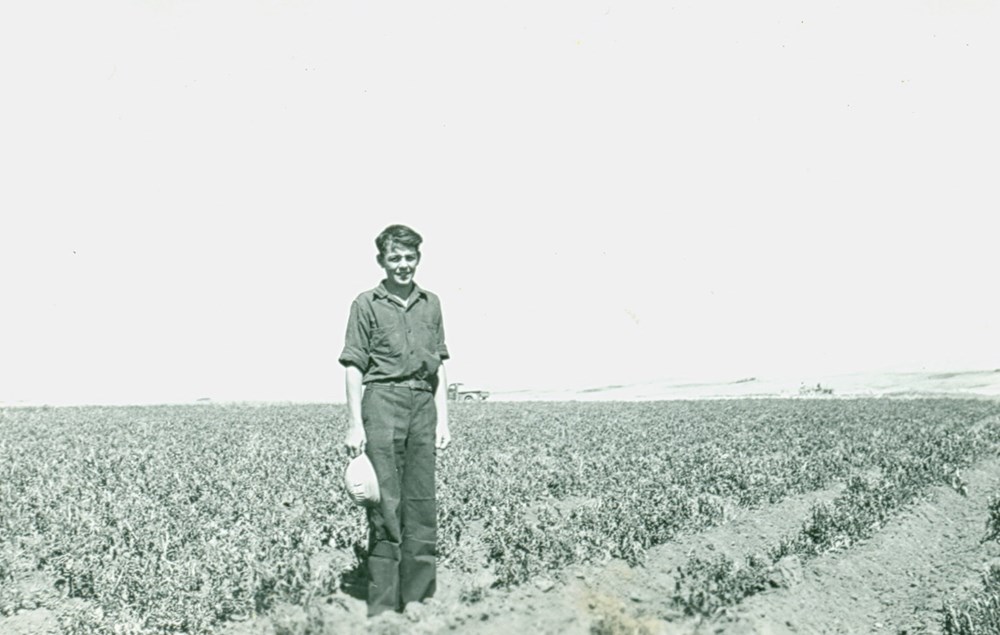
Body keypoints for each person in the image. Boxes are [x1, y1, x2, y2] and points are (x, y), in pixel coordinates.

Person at [338, 224, 451, 617]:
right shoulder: (365, 304)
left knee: (421, 504)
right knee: (385, 505)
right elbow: (354, 365)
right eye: (395, 258)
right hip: (382, 403)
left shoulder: (431, 303)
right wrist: (355, 424)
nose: (403, 265)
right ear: (382, 261)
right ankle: (384, 609)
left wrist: (443, 421)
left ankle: (417, 600)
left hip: (423, 404)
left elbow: (439, 366)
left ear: (418, 258)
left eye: (409, 257)